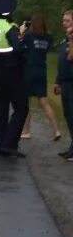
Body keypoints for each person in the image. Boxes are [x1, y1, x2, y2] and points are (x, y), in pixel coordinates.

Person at [0, 0, 28, 158]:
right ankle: (9, 143)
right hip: (12, 72)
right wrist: (21, 37)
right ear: (10, 11)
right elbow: (17, 48)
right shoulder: (11, 26)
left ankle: (0, 143)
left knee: (1, 108)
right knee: (22, 107)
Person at [20, 15, 60, 142]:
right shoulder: (49, 38)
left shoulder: (29, 36)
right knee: (44, 102)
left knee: (26, 102)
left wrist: (21, 31)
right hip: (42, 71)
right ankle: (56, 130)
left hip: (29, 70)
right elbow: (46, 50)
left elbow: (19, 44)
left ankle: (26, 131)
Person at [55, 9, 73, 160]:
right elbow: (62, 63)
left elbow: (70, 58)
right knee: (67, 115)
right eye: (63, 20)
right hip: (65, 81)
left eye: (67, 21)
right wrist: (57, 81)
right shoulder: (64, 40)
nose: (64, 23)